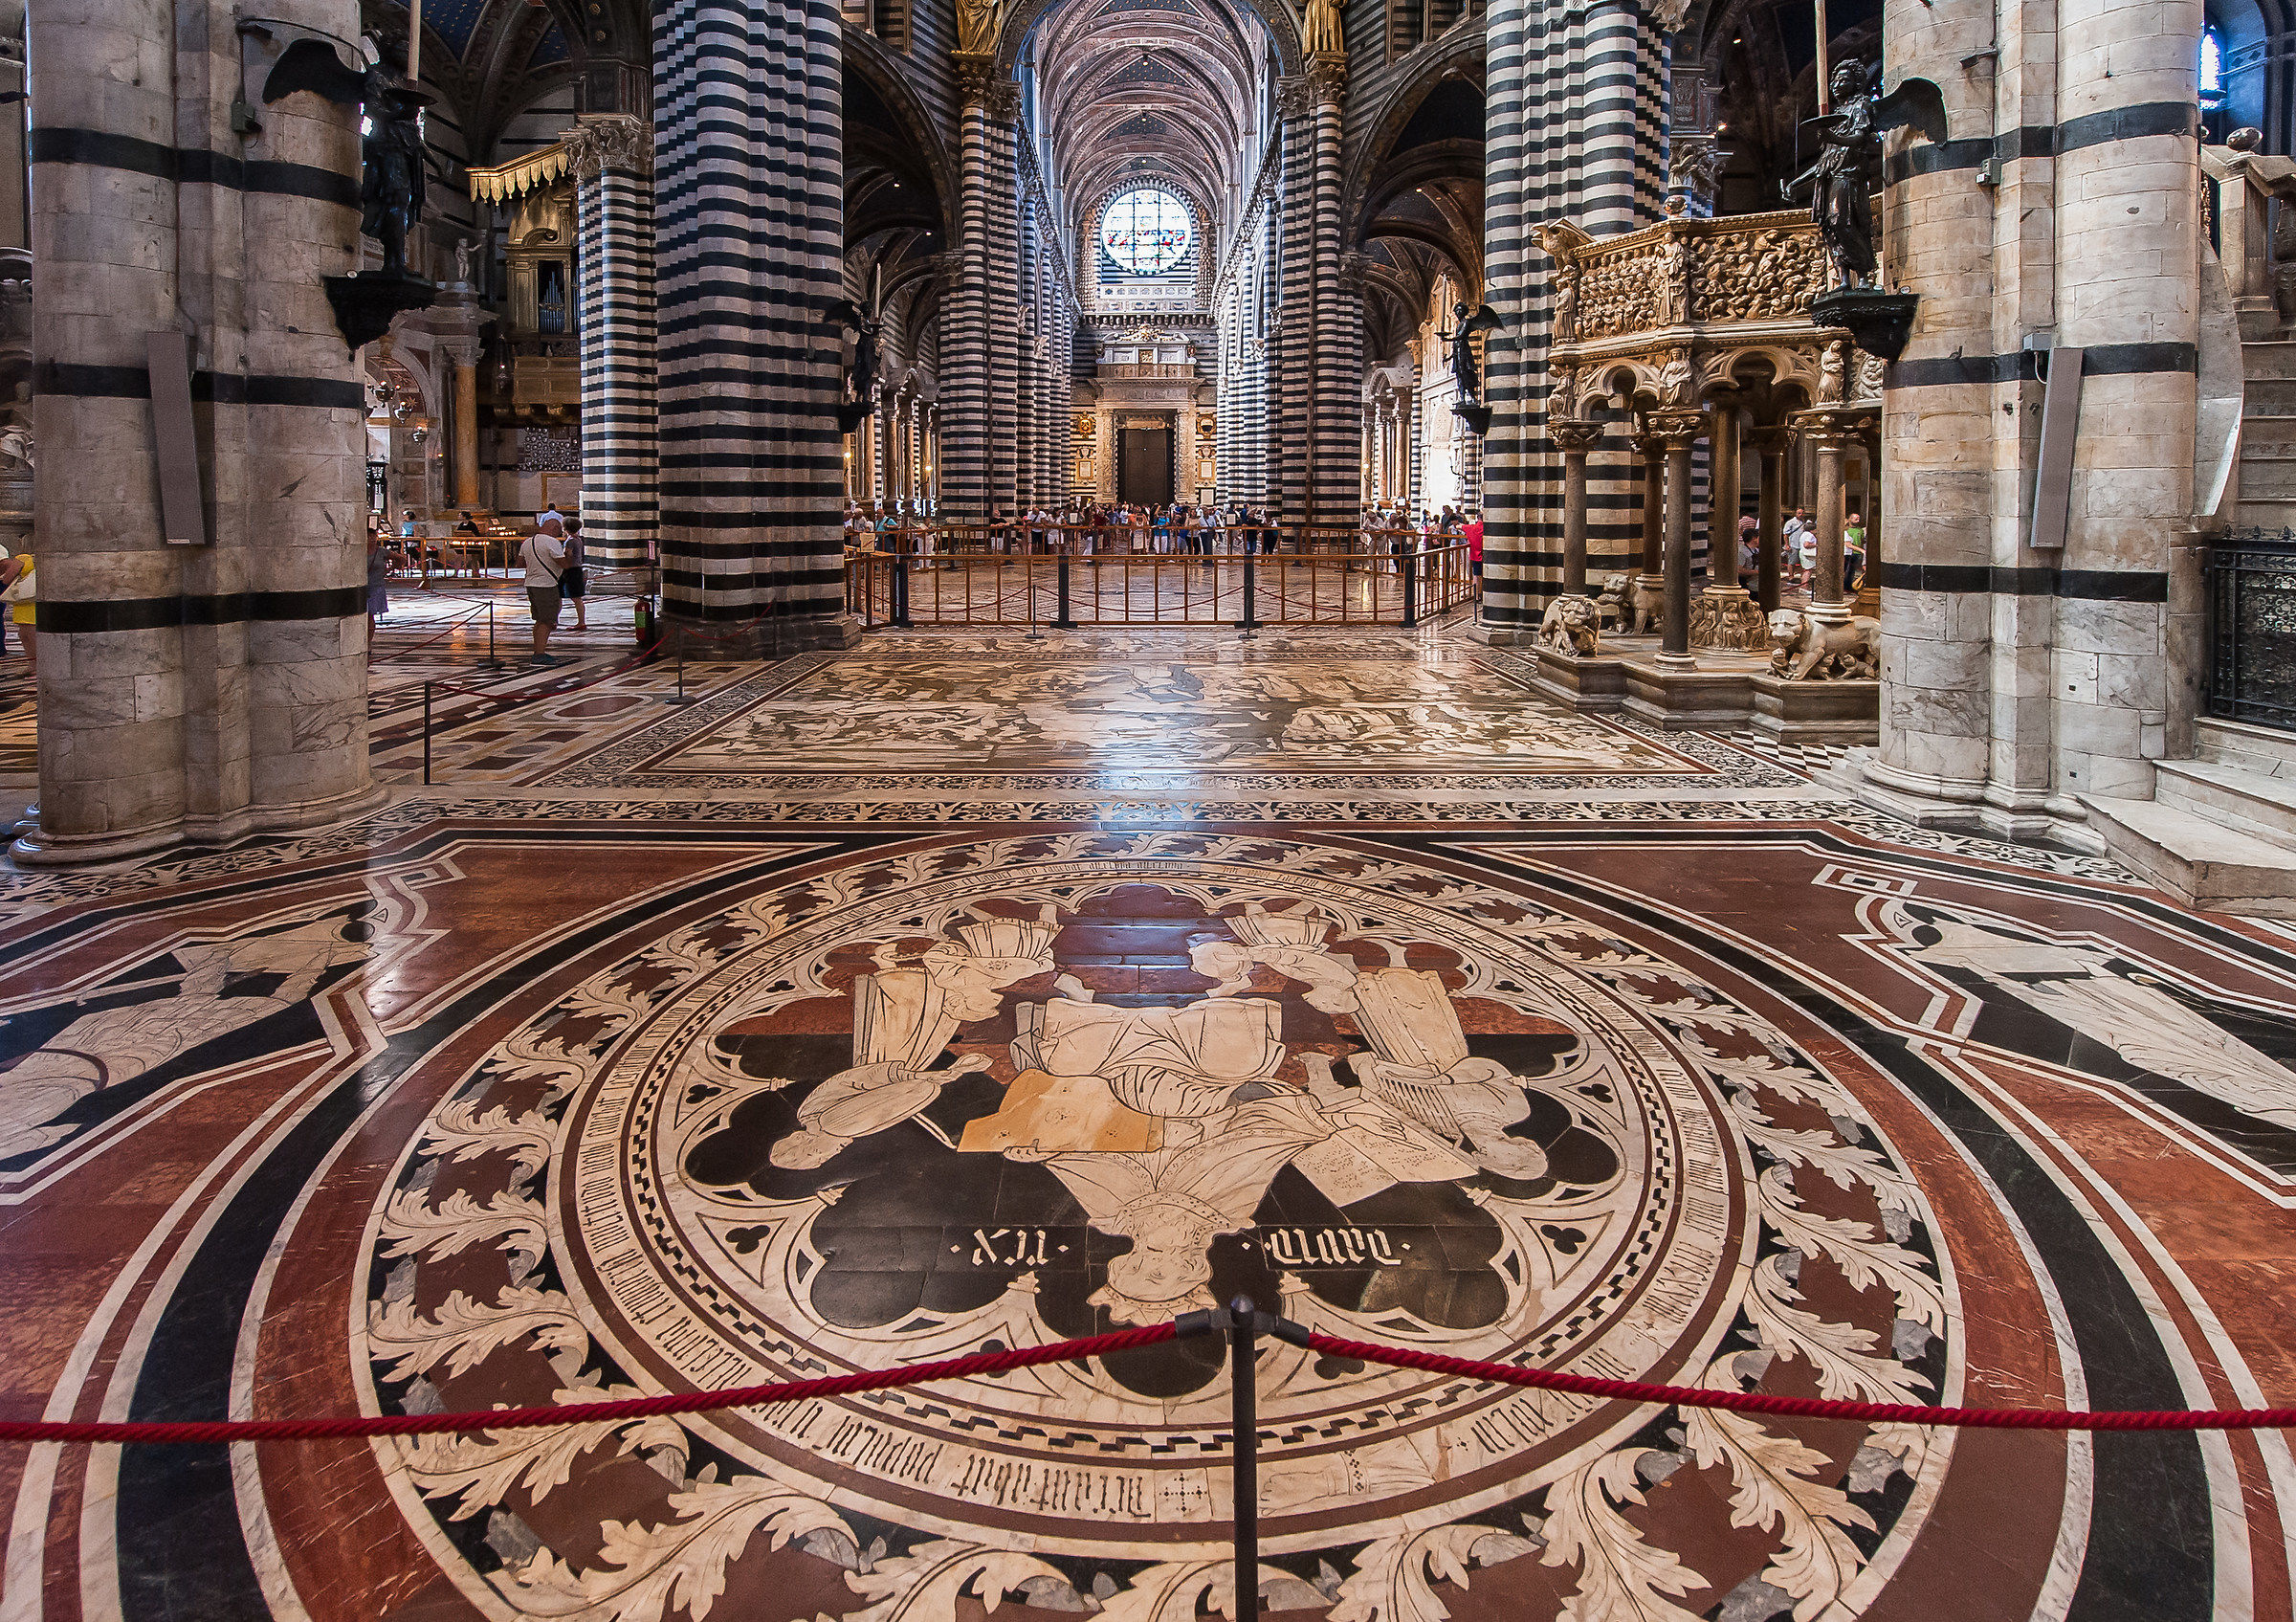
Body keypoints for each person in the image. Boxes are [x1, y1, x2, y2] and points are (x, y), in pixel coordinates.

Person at [520, 515, 569, 665]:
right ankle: (539, 654)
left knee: (540, 620)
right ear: (554, 528)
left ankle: (538, 651)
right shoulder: (551, 542)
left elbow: (519, 563)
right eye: (559, 531)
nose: (559, 534)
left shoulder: (527, 542)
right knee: (547, 621)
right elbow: (563, 563)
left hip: (531, 584)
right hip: (546, 585)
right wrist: (569, 557)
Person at [1, 546, 33, 674]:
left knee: (28, 635)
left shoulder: (22, 559)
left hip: (25, 602)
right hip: (26, 602)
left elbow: (6, 579)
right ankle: (33, 665)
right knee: (25, 635)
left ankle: (34, 665)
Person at [560, 516, 589, 631]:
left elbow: (568, 555)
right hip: (576, 569)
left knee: (576, 597)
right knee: (575, 597)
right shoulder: (578, 539)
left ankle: (581, 622)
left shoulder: (570, 541)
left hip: (572, 570)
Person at [366, 520, 390, 637]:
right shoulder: (358, 551)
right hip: (363, 586)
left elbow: (400, 558)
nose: (372, 539)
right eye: (369, 536)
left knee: (370, 614)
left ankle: (368, 641)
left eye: (374, 536)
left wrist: (388, 571)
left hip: (375, 585)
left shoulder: (380, 552)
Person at [1843, 511, 1866, 589]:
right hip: (1848, 553)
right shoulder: (1846, 531)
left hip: (1858, 552)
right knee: (1846, 570)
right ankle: (1846, 587)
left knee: (1853, 571)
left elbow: (1862, 540)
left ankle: (1852, 586)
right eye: (1855, 518)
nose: (1858, 519)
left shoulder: (1860, 530)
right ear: (1850, 519)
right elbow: (1848, 544)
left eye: (1858, 518)